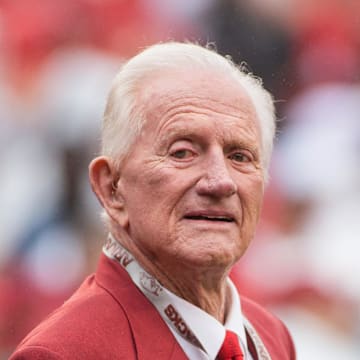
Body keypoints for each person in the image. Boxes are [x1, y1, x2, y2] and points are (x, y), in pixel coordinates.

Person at [10, 42, 296, 360]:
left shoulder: (271, 336)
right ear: (112, 187)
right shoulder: (64, 353)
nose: (221, 181)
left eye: (240, 156)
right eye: (183, 152)